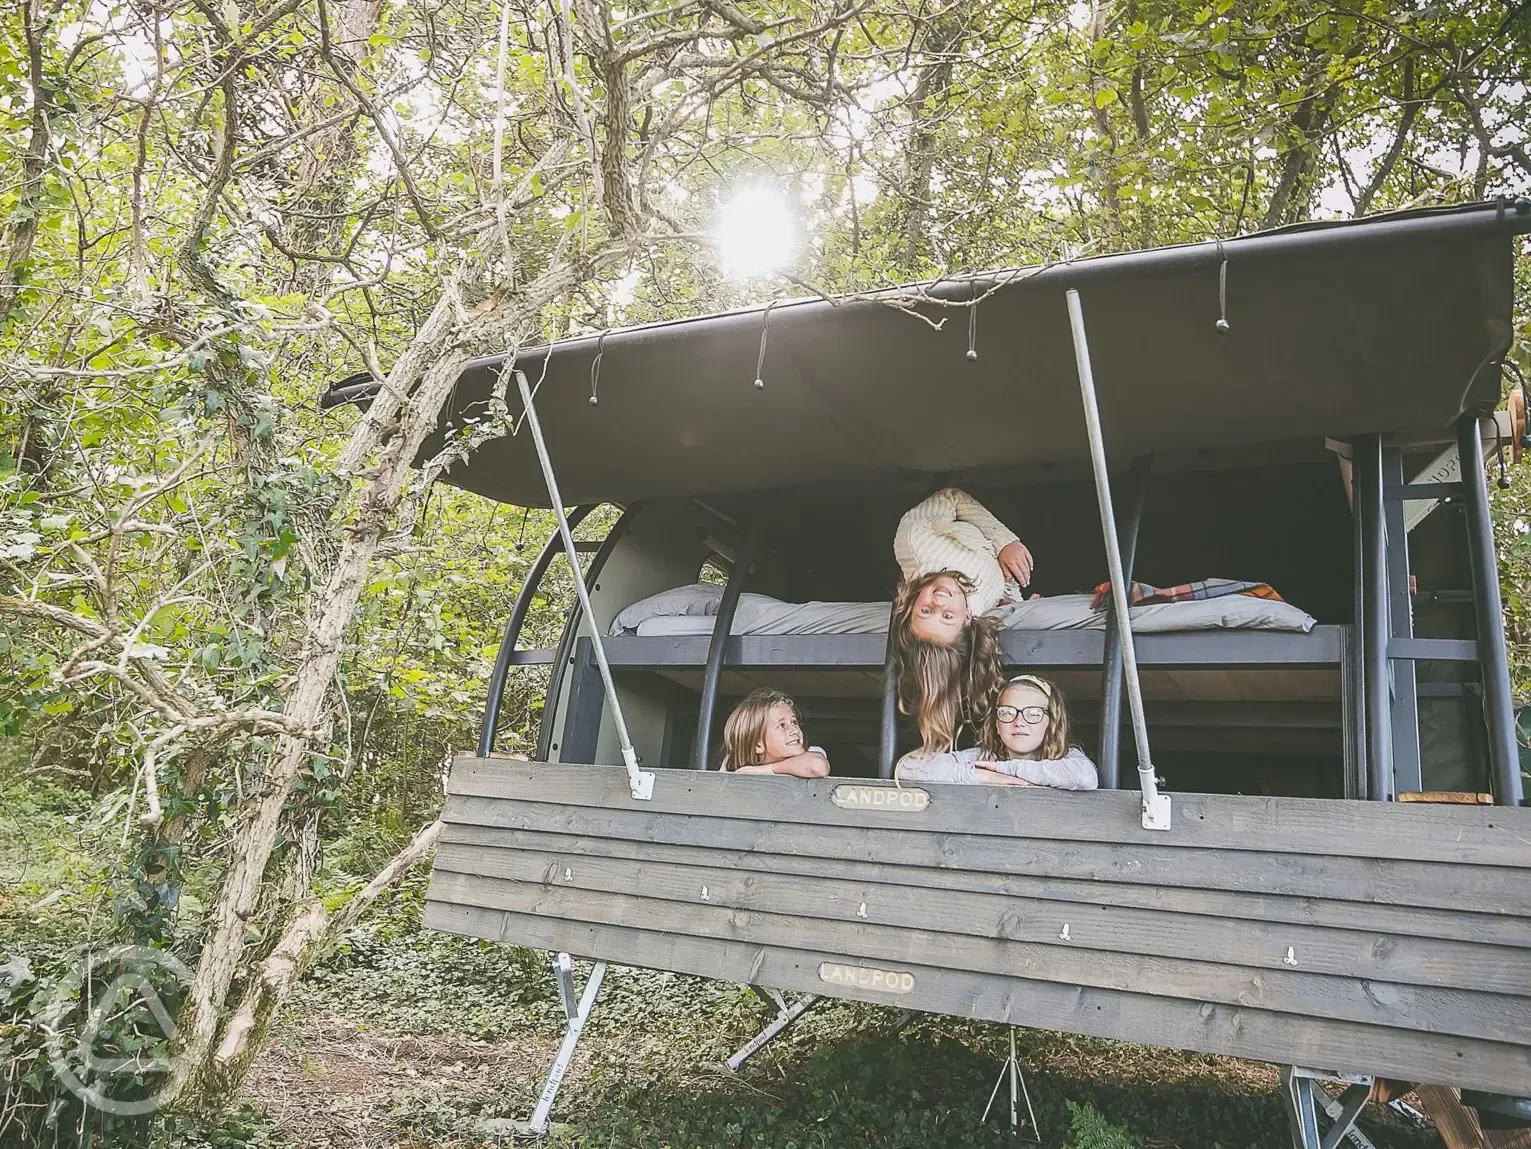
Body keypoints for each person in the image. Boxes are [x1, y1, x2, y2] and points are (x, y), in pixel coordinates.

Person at [891, 487, 1033, 754]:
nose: (939, 601)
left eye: (925, 611)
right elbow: (1003, 585)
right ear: (967, 618)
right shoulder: (978, 604)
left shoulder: (914, 540)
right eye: (946, 616)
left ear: (911, 607)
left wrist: (1005, 542)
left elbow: (952, 496)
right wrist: (1016, 596)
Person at [896, 674, 1098, 789]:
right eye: (1008, 712)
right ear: (997, 725)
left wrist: (1010, 770)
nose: (1019, 722)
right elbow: (906, 768)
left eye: (1034, 713)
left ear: (1051, 722)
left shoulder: (1067, 757)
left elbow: (1086, 778)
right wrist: (985, 777)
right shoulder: (982, 758)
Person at [719, 687, 830, 777]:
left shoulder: (812, 753)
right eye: (782, 725)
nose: (795, 730)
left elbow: (817, 767)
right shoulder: (732, 769)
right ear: (757, 744)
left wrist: (765, 770)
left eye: (794, 722)